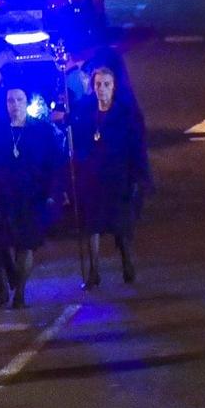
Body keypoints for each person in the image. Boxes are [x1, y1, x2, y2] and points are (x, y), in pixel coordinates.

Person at [71, 60, 150, 287]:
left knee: (120, 223)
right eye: (98, 84)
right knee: (92, 225)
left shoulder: (125, 113)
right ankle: (94, 270)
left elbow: (136, 145)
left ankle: (127, 262)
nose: (101, 89)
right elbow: (78, 135)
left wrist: (137, 175)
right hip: (93, 176)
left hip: (118, 176)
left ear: (114, 87)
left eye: (106, 84)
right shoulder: (87, 111)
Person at [0, 80, 65, 308]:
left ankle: (20, 292)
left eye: (19, 100)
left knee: (25, 245)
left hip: (32, 197)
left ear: (26, 102)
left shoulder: (41, 131)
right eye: (10, 100)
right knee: (4, 244)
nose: (14, 105)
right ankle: (10, 279)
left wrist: (53, 192)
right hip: (5, 198)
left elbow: (54, 164)